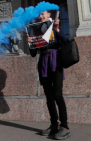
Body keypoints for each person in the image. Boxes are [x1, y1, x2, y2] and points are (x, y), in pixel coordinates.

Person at [27, 11, 70, 140]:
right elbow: (33, 53)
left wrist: (57, 30)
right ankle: (54, 125)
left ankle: (65, 126)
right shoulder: (37, 29)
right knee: (49, 97)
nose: (40, 16)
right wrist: (30, 42)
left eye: (42, 14)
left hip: (56, 61)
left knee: (57, 95)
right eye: (39, 15)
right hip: (43, 63)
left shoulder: (55, 26)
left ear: (49, 14)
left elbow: (66, 41)